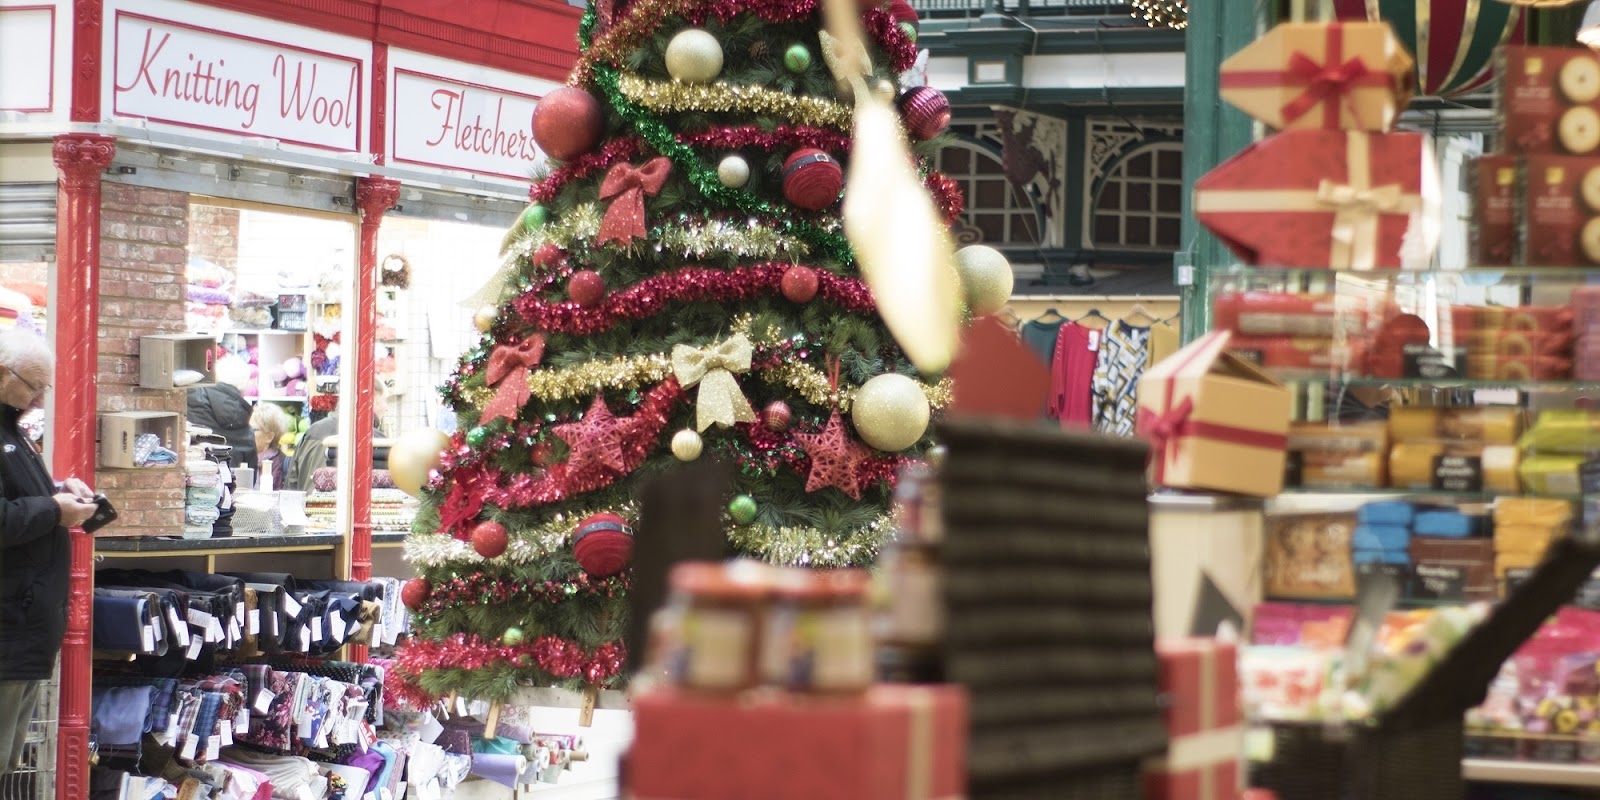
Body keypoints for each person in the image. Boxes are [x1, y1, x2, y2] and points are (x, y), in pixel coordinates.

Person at [0, 329, 96, 774]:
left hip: (26, 626)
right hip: (10, 627)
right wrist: (52, 510)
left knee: (8, 760)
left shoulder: (13, 431)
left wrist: (56, 490)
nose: (39, 399)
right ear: (2, 374)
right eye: (33, 386)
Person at [187, 355, 257, 472]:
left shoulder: (194, 399)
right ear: (244, 386)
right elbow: (250, 473)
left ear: (216, 376)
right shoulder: (245, 424)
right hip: (230, 485)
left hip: (196, 478)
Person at [250, 403, 291, 492]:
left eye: (253, 430)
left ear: (269, 437)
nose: (248, 433)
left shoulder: (282, 464)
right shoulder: (245, 459)